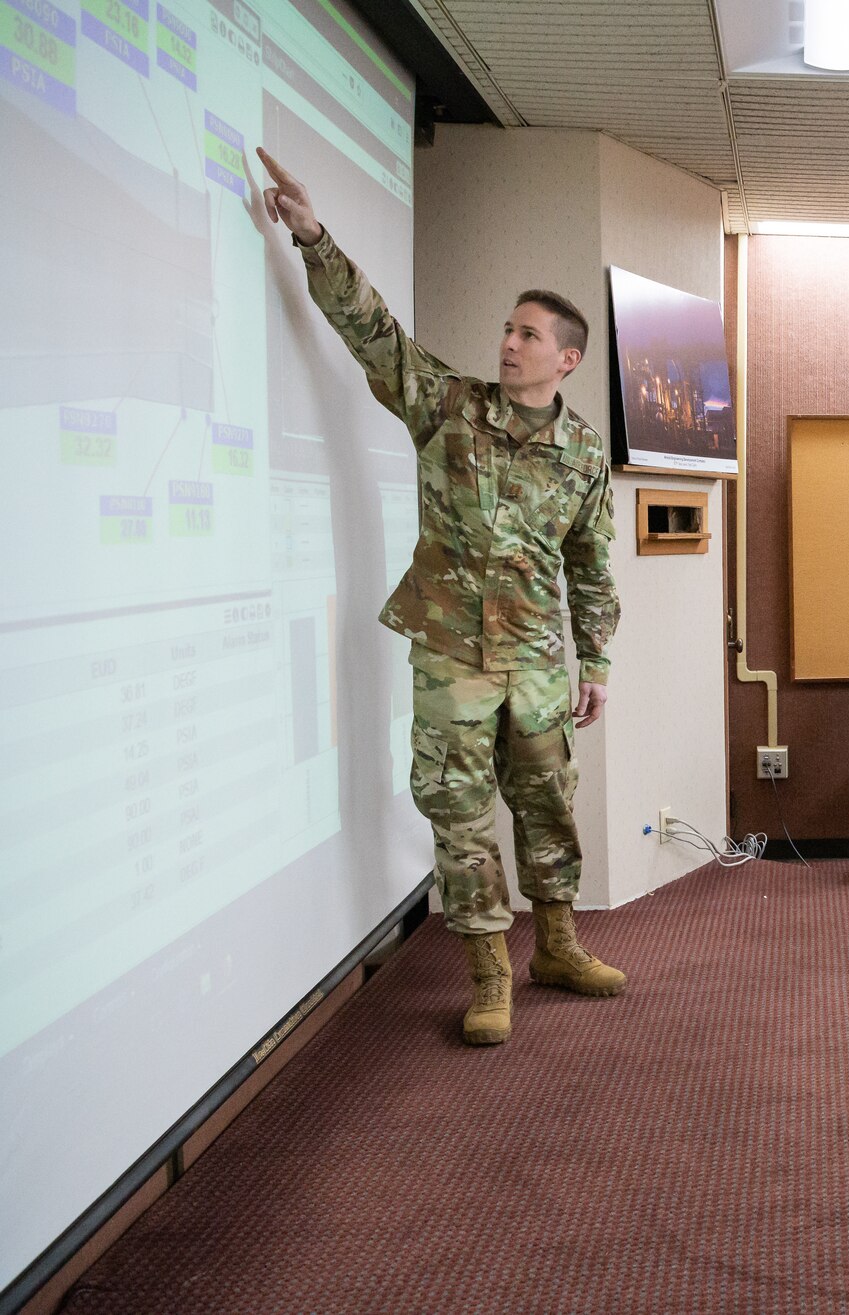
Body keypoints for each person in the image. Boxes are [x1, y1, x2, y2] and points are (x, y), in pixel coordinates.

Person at [258, 149, 626, 1046]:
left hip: (539, 663)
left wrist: (598, 660)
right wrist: (315, 237)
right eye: (506, 328)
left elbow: (590, 562)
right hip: (453, 657)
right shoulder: (447, 407)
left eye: (528, 334)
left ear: (566, 359)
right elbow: (374, 333)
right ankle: (490, 973)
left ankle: (559, 948)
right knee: (461, 816)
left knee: (548, 808)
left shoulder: (582, 455)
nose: (508, 341)